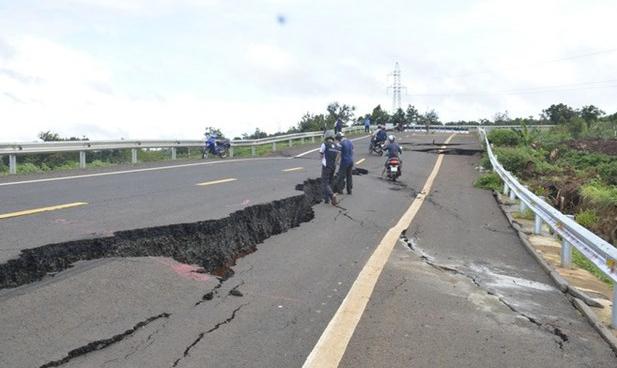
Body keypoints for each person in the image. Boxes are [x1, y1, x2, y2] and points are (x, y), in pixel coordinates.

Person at [320, 131, 339, 205]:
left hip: (326, 166)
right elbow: (338, 156)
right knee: (330, 182)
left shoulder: (324, 144)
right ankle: (327, 199)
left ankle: (331, 195)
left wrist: (323, 160)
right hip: (333, 166)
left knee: (325, 182)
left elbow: (321, 154)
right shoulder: (336, 145)